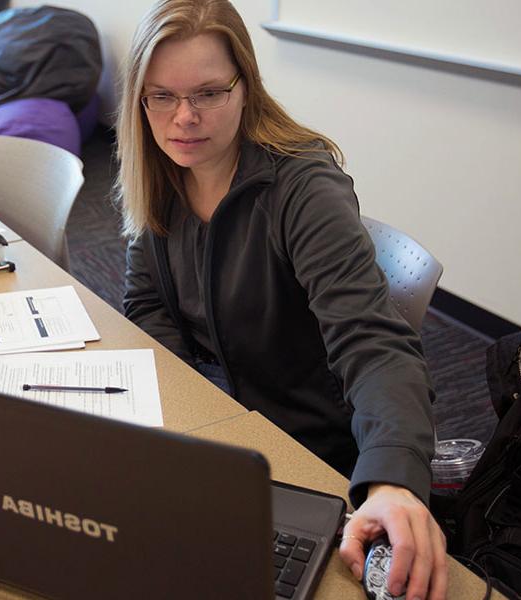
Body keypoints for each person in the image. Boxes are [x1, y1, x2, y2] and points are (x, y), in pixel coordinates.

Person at [116, 1, 448, 598]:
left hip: (311, 453)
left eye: (209, 93)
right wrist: (191, 419)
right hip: (225, 440)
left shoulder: (303, 188)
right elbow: (148, 306)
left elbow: (374, 344)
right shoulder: (160, 172)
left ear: (247, 85)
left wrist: (395, 479)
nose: (183, 118)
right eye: (160, 95)